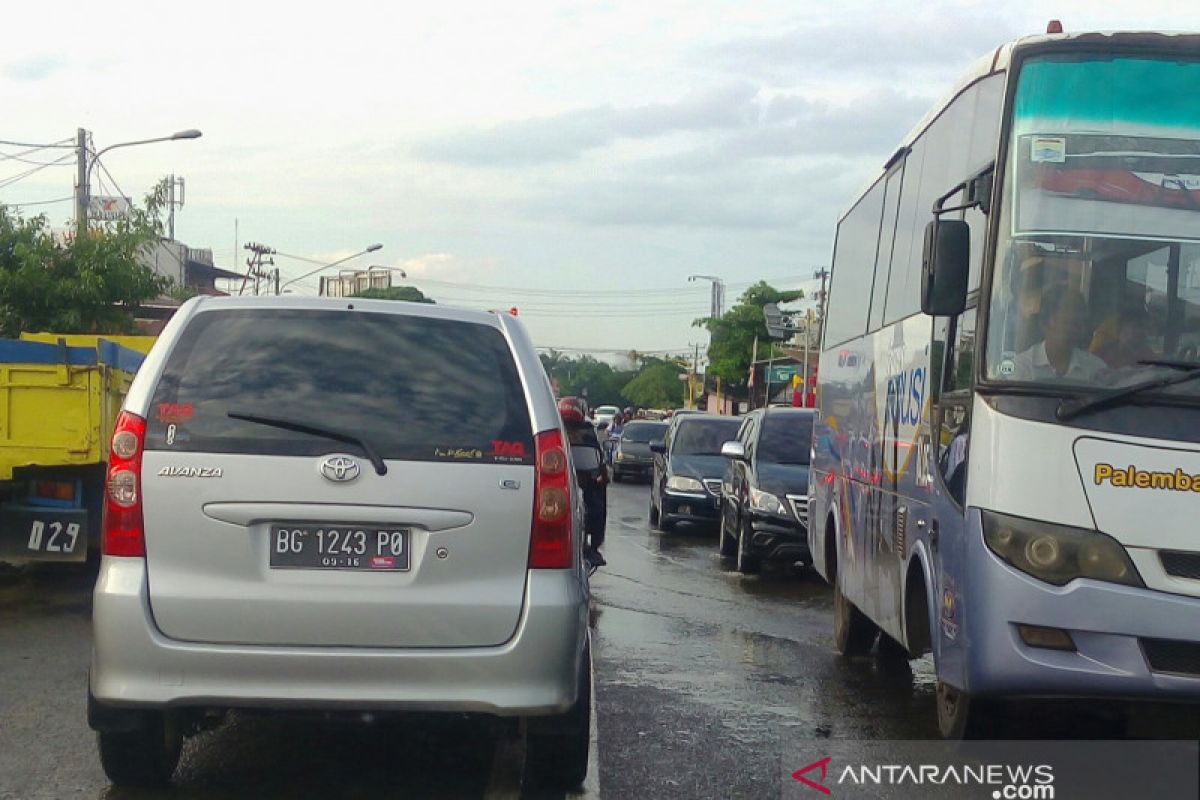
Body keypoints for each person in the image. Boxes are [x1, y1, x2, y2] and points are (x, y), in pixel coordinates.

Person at [1010, 284, 1107, 382]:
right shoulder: (1022, 368)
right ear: (1048, 320)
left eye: (1079, 322)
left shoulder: (1096, 369)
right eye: (1070, 322)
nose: (1077, 328)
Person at [558, 396, 608, 567]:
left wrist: (599, 475)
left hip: (585, 479)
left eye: (573, 427)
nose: (571, 431)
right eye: (567, 426)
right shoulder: (551, 431)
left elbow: (599, 461)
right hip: (558, 477)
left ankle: (593, 545)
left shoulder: (588, 432)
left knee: (598, 499)